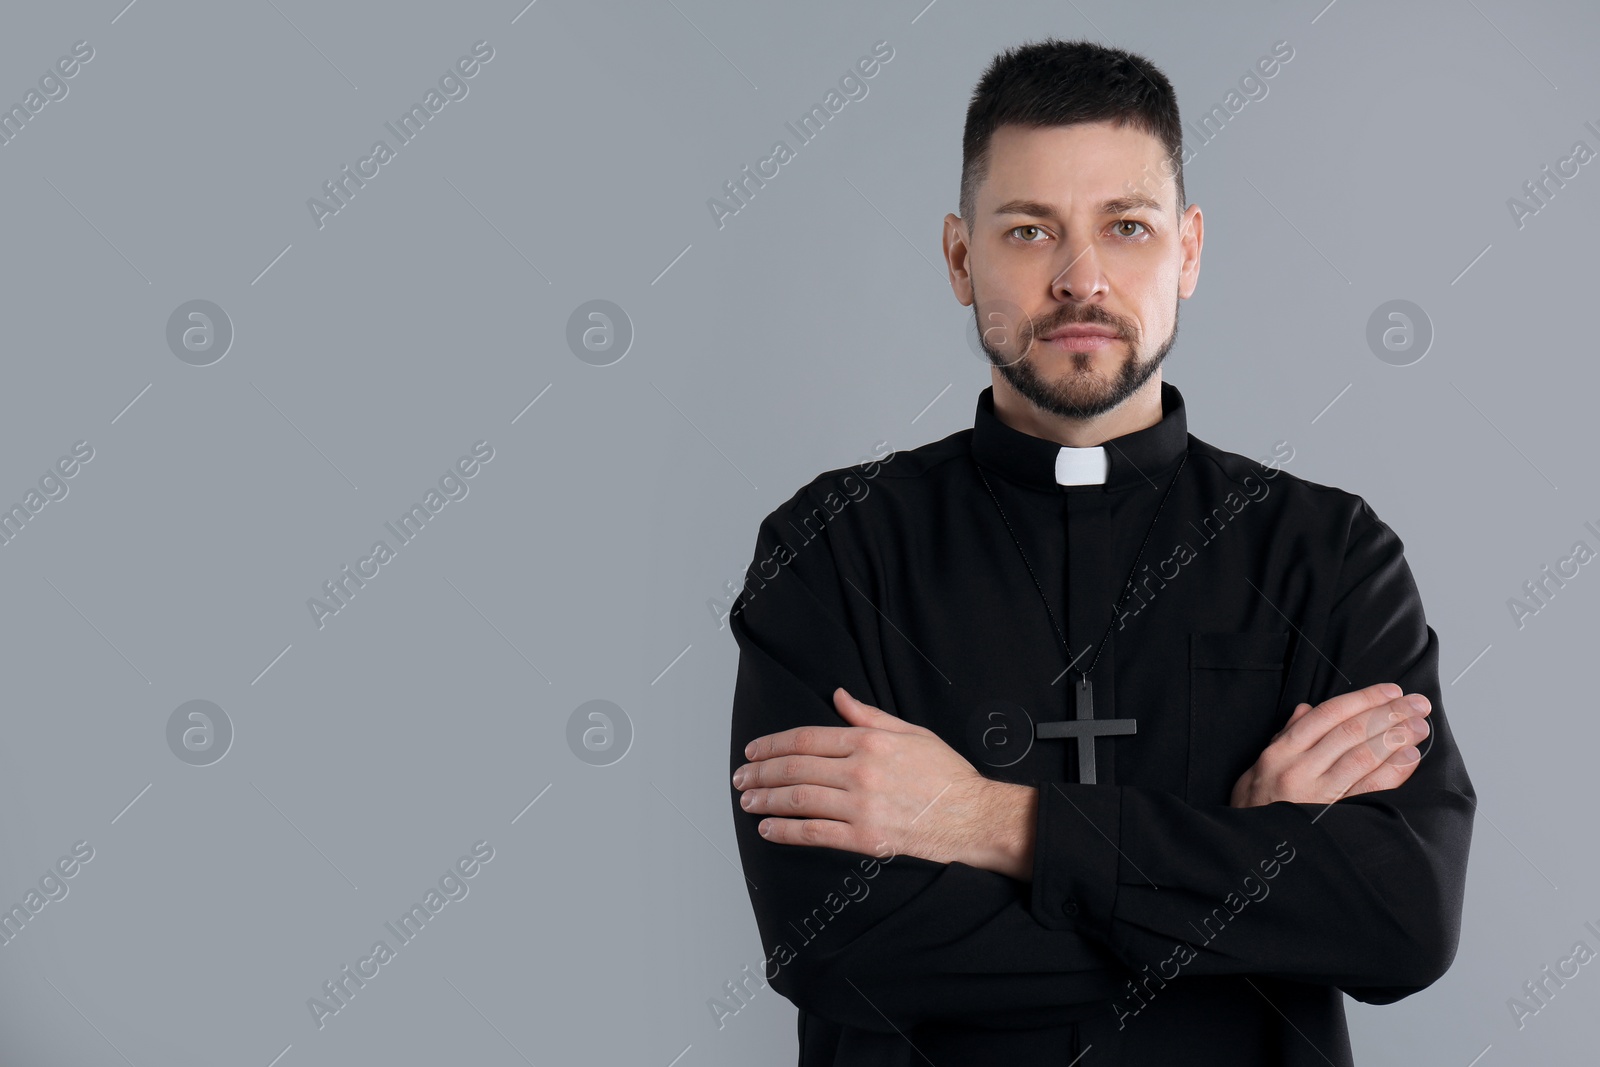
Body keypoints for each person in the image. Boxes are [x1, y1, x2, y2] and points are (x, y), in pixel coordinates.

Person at [725, 37, 1474, 1067]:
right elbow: (833, 942)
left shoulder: (1328, 552)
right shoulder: (833, 546)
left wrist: (995, 822)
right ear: (959, 257)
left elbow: (1402, 917)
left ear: (1189, 249)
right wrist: (1244, 875)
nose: (1080, 279)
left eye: (1126, 227)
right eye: (1029, 231)